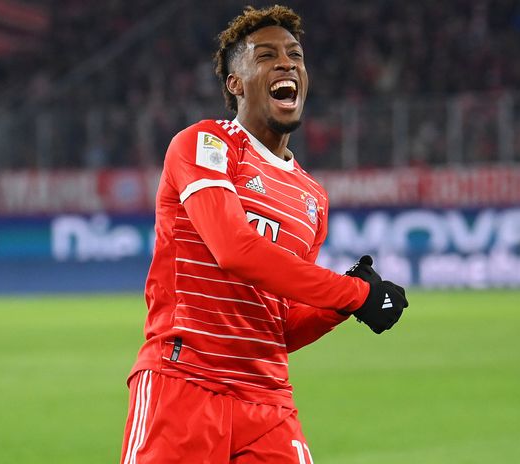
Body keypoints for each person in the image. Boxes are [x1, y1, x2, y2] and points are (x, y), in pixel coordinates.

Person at [120, 5, 408, 463]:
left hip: (269, 401)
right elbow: (235, 249)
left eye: (295, 54)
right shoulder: (206, 144)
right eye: (266, 55)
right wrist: (352, 293)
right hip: (185, 383)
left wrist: (338, 306)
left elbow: (280, 326)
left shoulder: (312, 196)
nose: (287, 63)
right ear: (235, 83)